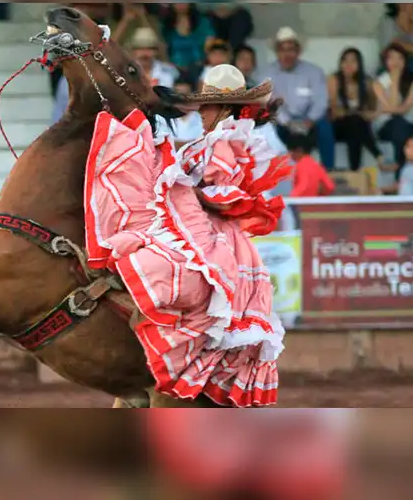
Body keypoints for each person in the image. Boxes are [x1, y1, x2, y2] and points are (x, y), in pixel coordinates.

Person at [84, 64, 291, 407]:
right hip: (201, 230)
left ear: (224, 108)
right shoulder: (215, 140)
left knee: (165, 273)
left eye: (207, 106)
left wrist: (184, 189)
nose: (201, 113)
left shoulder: (226, 140)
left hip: (208, 235)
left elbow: (226, 192)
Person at [261, 26, 334, 169]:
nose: (286, 54)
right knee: (267, 127)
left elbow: (320, 101)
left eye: (290, 49)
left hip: (310, 122)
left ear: (298, 51)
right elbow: (270, 103)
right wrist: (288, 123)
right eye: (282, 50)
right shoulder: (267, 74)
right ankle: (274, 174)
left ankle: (328, 172)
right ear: (276, 52)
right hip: (283, 123)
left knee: (325, 127)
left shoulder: (314, 72)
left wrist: (310, 121)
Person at [327, 47, 386, 171]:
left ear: (359, 64)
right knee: (355, 121)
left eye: (353, 61)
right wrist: (356, 113)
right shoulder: (334, 79)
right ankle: (377, 154)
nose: (348, 64)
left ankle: (354, 170)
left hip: (357, 126)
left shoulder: (366, 82)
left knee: (355, 125)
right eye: (345, 60)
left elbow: (371, 109)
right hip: (337, 127)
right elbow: (334, 111)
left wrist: (367, 114)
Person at [373, 44, 413, 170]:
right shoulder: (379, 82)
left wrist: (387, 110)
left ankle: (401, 168)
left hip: (410, 123)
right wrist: (394, 81)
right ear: (385, 62)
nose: (395, 62)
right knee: (399, 125)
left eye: (399, 58)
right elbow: (394, 108)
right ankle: (405, 169)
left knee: (402, 127)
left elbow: (406, 107)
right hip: (386, 126)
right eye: (391, 58)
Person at [161, 3, 215, 73]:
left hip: (199, 67)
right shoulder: (166, 25)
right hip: (174, 69)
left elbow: (210, 45)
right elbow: (163, 48)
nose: (181, 5)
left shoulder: (202, 22)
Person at [154, 75, 203, 148]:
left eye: (184, 95)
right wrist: (194, 143)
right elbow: (161, 144)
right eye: (177, 95)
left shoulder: (201, 118)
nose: (180, 99)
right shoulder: (161, 118)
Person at [286, 133, 335, 198]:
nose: (290, 155)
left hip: (301, 202)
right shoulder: (317, 165)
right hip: (314, 202)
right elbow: (330, 186)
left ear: (299, 150)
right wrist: (319, 194)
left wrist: (291, 198)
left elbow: (303, 185)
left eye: (291, 151)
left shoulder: (300, 166)